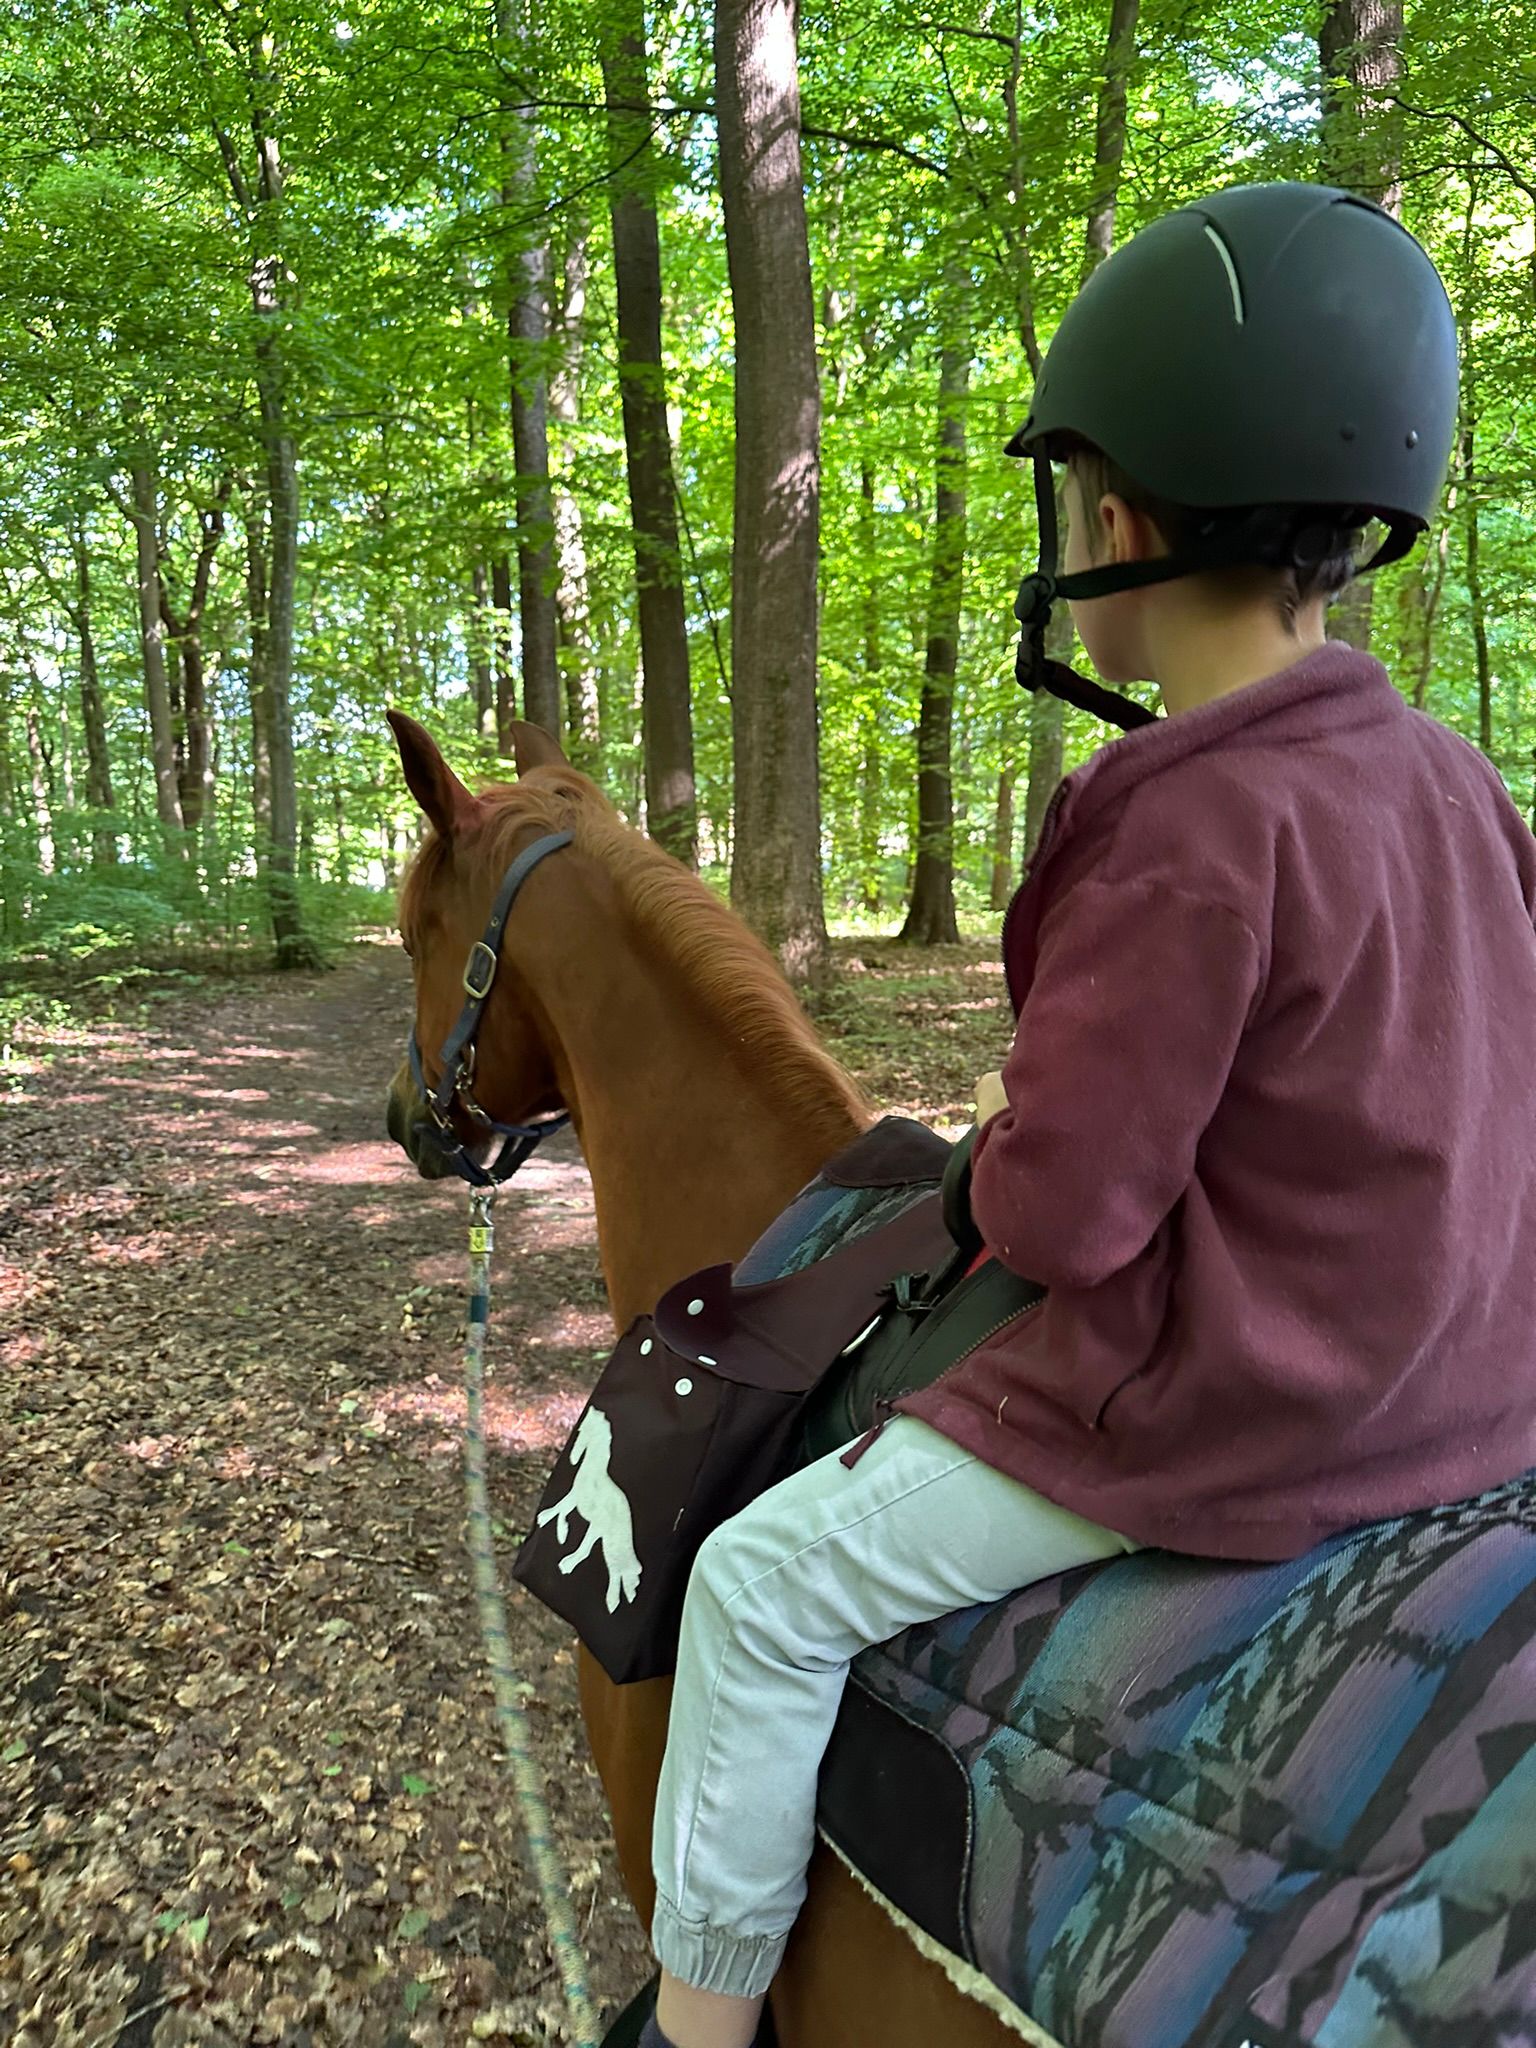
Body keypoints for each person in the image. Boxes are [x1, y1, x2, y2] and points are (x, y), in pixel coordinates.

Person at [638, 182, 1536, 2048]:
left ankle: (696, 2027)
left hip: (1242, 1412)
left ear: (1116, 514)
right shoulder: (1453, 783)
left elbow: (1065, 1224)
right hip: (1467, 1379)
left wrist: (1016, 1142)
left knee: (753, 1588)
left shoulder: (1186, 825)